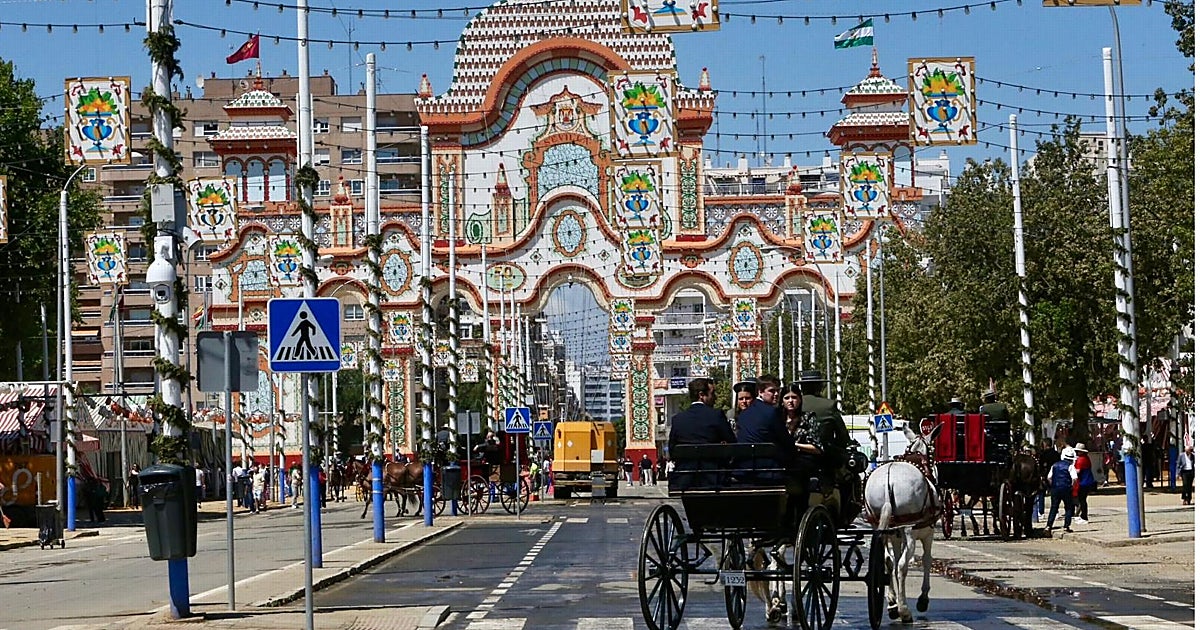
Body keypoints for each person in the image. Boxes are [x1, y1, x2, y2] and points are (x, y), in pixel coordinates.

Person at [797, 370, 857, 522]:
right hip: (824, 459)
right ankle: (844, 515)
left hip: (795, 457)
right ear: (820, 387)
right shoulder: (828, 405)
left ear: (802, 388)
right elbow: (842, 436)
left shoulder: (792, 403)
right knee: (850, 477)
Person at [735, 374, 795, 471]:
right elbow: (787, 442)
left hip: (744, 468)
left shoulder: (743, 414)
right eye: (772, 391)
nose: (776, 394)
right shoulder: (772, 412)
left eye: (778, 391)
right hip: (767, 468)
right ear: (760, 392)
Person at [669, 377, 736, 452]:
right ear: (701, 395)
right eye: (712, 393)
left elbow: (672, 449)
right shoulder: (716, 415)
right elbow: (733, 443)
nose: (715, 397)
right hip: (712, 462)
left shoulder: (677, 420)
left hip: (686, 463)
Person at [1045, 446, 1078, 534]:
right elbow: (1075, 478)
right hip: (1066, 488)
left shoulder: (1054, 465)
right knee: (1068, 508)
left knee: (1054, 507)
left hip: (1055, 489)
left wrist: (1053, 485)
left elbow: (1049, 477)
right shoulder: (1070, 466)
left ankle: (1049, 526)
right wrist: (1071, 486)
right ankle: (1066, 526)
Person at [1035, 438, 1059, 522]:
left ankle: (1041, 512)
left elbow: (1041, 466)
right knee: (1054, 495)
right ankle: (1055, 511)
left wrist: (1041, 475)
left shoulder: (1043, 454)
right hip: (1055, 475)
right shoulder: (1056, 454)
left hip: (1046, 476)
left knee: (1041, 494)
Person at [1072, 443, 1096, 524]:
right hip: (1088, 481)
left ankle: (1084, 516)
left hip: (1083, 482)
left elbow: (1077, 471)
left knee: (1081, 500)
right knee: (1083, 500)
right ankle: (1081, 515)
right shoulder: (1086, 458)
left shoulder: (1080, 460)